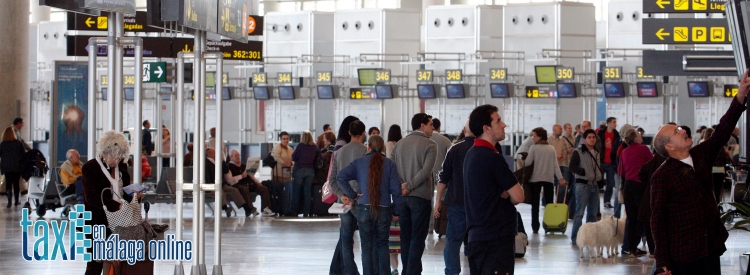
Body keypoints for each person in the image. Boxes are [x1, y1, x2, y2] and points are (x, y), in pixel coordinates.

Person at [649, 69, 749, 275]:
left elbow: (723, 129)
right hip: (683, 256)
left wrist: (740, 97)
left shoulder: (701, 154)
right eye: (676, 132)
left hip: (710, 248)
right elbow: (658, 220)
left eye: (679, 128)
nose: (682, 130)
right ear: (669, 147)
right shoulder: (662, 176)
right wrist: (662, 262)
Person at [464, 104, 524, 275]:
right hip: (496, 239)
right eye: (498, 121)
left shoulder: (471, 154)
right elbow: (519, 196)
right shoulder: (493, 158)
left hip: (476, 236)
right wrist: (509, 193)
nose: (504, 124)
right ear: (486, 128)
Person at [337, 135, 403, 275]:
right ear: (383, 148)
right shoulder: (389, 164)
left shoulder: (359, 162)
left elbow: (340, 176)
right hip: (384, 209)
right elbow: (396, 191)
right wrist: (397, 212)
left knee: (366, 247)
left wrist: (353, 195)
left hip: (363, 209)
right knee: (382, 245)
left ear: (368, 147)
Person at [81, 130, 137, 274]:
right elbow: (91, 197)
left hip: (120, 222)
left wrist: (134, 195)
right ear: (104, 152)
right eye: (113, 156)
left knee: (119, 263)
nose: (116, 161)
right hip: (97, 221)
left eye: (119, 157)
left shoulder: (122, 167)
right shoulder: (90, 167)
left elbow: (123, 192)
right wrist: (116, 205)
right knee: (95, 263)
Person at [390, 113, 437, 275]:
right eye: (430, 124)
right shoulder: (430, 145)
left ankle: (407, 271)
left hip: (402, 198)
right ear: (422, 126)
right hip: (421, 197)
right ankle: (412, 272)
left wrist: (402, 187)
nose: (433, 127)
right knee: (418, 237)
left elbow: (392, 169)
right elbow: (426, 171)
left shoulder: (399, 145)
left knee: (405, 237)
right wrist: (410, 186)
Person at [434, 119, 474, 275]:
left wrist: (438, 202)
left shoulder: (454, 149)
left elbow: (443, 178)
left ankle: (452, 272)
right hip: (478, 206)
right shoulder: (485, 150)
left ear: (464, 130)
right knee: (477, 241)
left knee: (452, 242)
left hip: (456, 202)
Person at [329, 119, 367, 275]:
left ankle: (350, 272)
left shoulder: (338, 153)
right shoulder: (365, 151)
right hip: (361, 201)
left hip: (343, 202)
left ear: (349, 133)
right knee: (366, 238)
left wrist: (342, 195)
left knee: (346, 239)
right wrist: (355, 196)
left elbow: (332, 180)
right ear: (364, 133)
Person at [618, 129, 653, 257]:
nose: (641, 136)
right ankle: (653, 249)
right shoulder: (644, 149)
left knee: (631, 219)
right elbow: (652, 165)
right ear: (635, 138)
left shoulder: (624, 152)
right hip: (641, 185)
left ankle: (632, 249)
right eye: (639, 135)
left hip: (628, 186)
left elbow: (620, 171)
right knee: (648, 217)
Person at [525, 127, 566, 234]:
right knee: (549, 204)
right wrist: (561, 178)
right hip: (549, 179)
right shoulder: (551, 148)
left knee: (535, 205)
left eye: (534, 136)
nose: (533, 138)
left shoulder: (533, 148)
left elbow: (528, 163)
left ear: (539, 136)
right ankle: (549, 224)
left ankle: (535, 227)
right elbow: (556, 165)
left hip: (535, 179)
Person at [569, 129, 603, 244]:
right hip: (582, 185)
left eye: (593, 137)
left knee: (592, 215)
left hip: (594, 186)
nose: (592, 139)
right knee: (579, 213)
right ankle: (575, 239)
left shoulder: (597, 152)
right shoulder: (578, 152)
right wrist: (582, 172)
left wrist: (600, 178)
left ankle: (590, 238)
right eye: (589, 137)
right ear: (584, 139)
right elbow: (572, 166)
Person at [205, 148, 257, 217]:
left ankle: (246, 208)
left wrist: (222, 161)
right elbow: (206, 176)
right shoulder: (205, 163)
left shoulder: (217, 161)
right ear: (210, 154)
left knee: (234, 190)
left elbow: (226, 170)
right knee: (220, 192)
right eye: (214, 152)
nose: (216, 154)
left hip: (221, 183)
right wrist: (211, 188)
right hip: (213, 185)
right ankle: (225, 208)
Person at [227, 149, 275, 216]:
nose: (238, 157)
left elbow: (252, 176)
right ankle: (251, 209)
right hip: (238, 184)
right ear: (231, 157)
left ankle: (266, 208)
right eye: (236, 155)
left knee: (264, 188)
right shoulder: (228, 167)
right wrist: (241, 176)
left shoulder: (244, 166)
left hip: (249, 183)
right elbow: (230, 180)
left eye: (238, 155)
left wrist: (258, 182)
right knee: (244, 189)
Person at [700, 128, 733, 203]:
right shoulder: (720, 146)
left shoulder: (703, 146)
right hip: (720, 170)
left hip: (709, 170)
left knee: (709, 192)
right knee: (718, 192)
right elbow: (725, 158)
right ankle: (717, 208)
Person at [291, 130, 318, 217]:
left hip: (299, 170)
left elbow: (294, 157)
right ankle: (307, 212)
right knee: (307, 192)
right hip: (310, 171)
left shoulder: (300, 146)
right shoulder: (314, 147)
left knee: (296, 191)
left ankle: (294, 212)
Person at [597, 117, 620, 209]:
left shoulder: (617, 135)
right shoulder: (601, 133)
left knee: (610, 183)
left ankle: (607, 201)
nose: (615, 124)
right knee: (599, 183)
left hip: (611, 162)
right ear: (608, 123)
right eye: (614, 122)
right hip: (601, 161)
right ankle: (597, 203)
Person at [0, 126, 25, 207]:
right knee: (16, 184)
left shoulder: (2, 144)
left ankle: (9, 201)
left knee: (8, 184)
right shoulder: (18, 143)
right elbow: (23, 154)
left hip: (6, 166)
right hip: (17, 166)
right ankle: (16, 201)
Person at [562, 123, 577, 215]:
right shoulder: (562, 139)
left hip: (573, 165)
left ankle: (570, 206)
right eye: (568, 128)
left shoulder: (574, 138)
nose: (570, 130)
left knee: (573, 186)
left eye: (571, 128)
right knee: (564, 186)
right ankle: (563, 204)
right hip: (565, 164)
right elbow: (562, 150)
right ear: (565, 129)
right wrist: (567, 151)